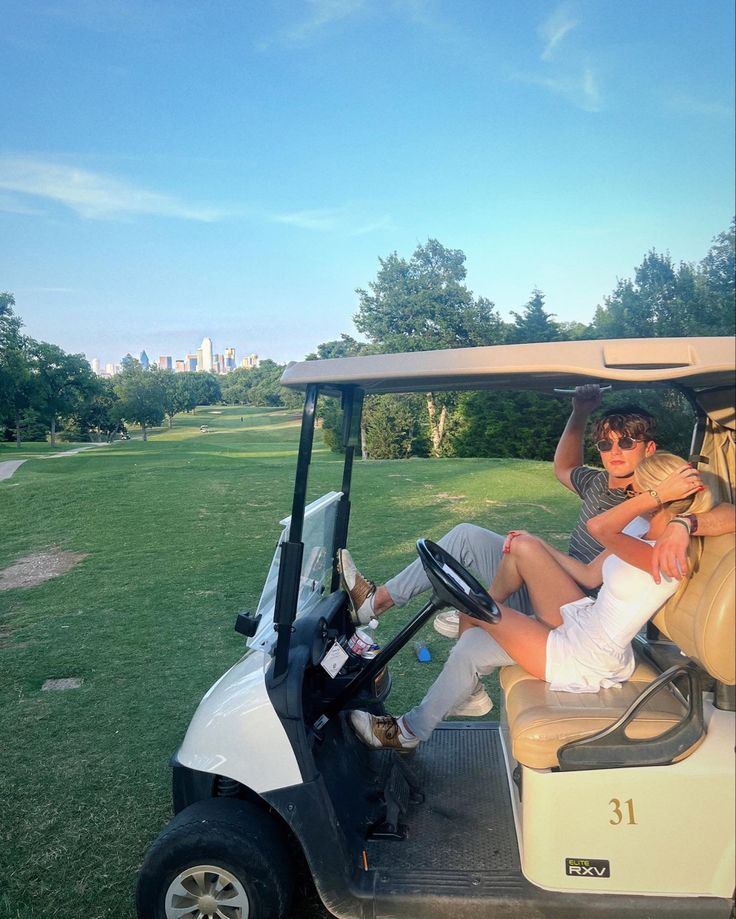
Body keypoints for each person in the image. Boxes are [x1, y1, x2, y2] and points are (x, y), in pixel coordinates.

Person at [339, 392, 735, 717]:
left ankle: (465, 617)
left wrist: (683, 522)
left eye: (627, 443)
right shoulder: (598, 484)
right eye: (606, 443)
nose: (615, 451)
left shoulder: (653, 507)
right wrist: (579, 412)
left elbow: (707, 510)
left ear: (649, 449)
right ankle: (377, 604)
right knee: (467, 537)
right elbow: (564, 468)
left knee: (478, 602)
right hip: (569, 587)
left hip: (585, 608)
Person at [349, 453, 713, 750]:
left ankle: (407, 730)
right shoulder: (642, 529)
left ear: (657, 494)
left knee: (475, 612)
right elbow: (588, 576)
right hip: (582, 617)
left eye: (639, 490)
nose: (631, 494)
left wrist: (662, 506)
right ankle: (423, 722)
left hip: (587, 654)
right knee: (515, 563)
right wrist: (538, 543)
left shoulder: (663, 556)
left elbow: (599, 528)